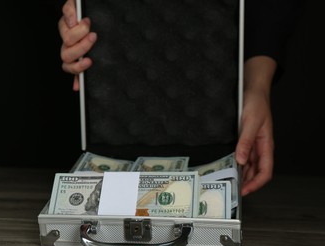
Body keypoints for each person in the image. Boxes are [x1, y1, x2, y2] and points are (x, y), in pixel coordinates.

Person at [58, 0, 305, 197]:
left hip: (216, 138)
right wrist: (75, 18)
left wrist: (257, 84)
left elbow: (272, 8)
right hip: (92, 133)